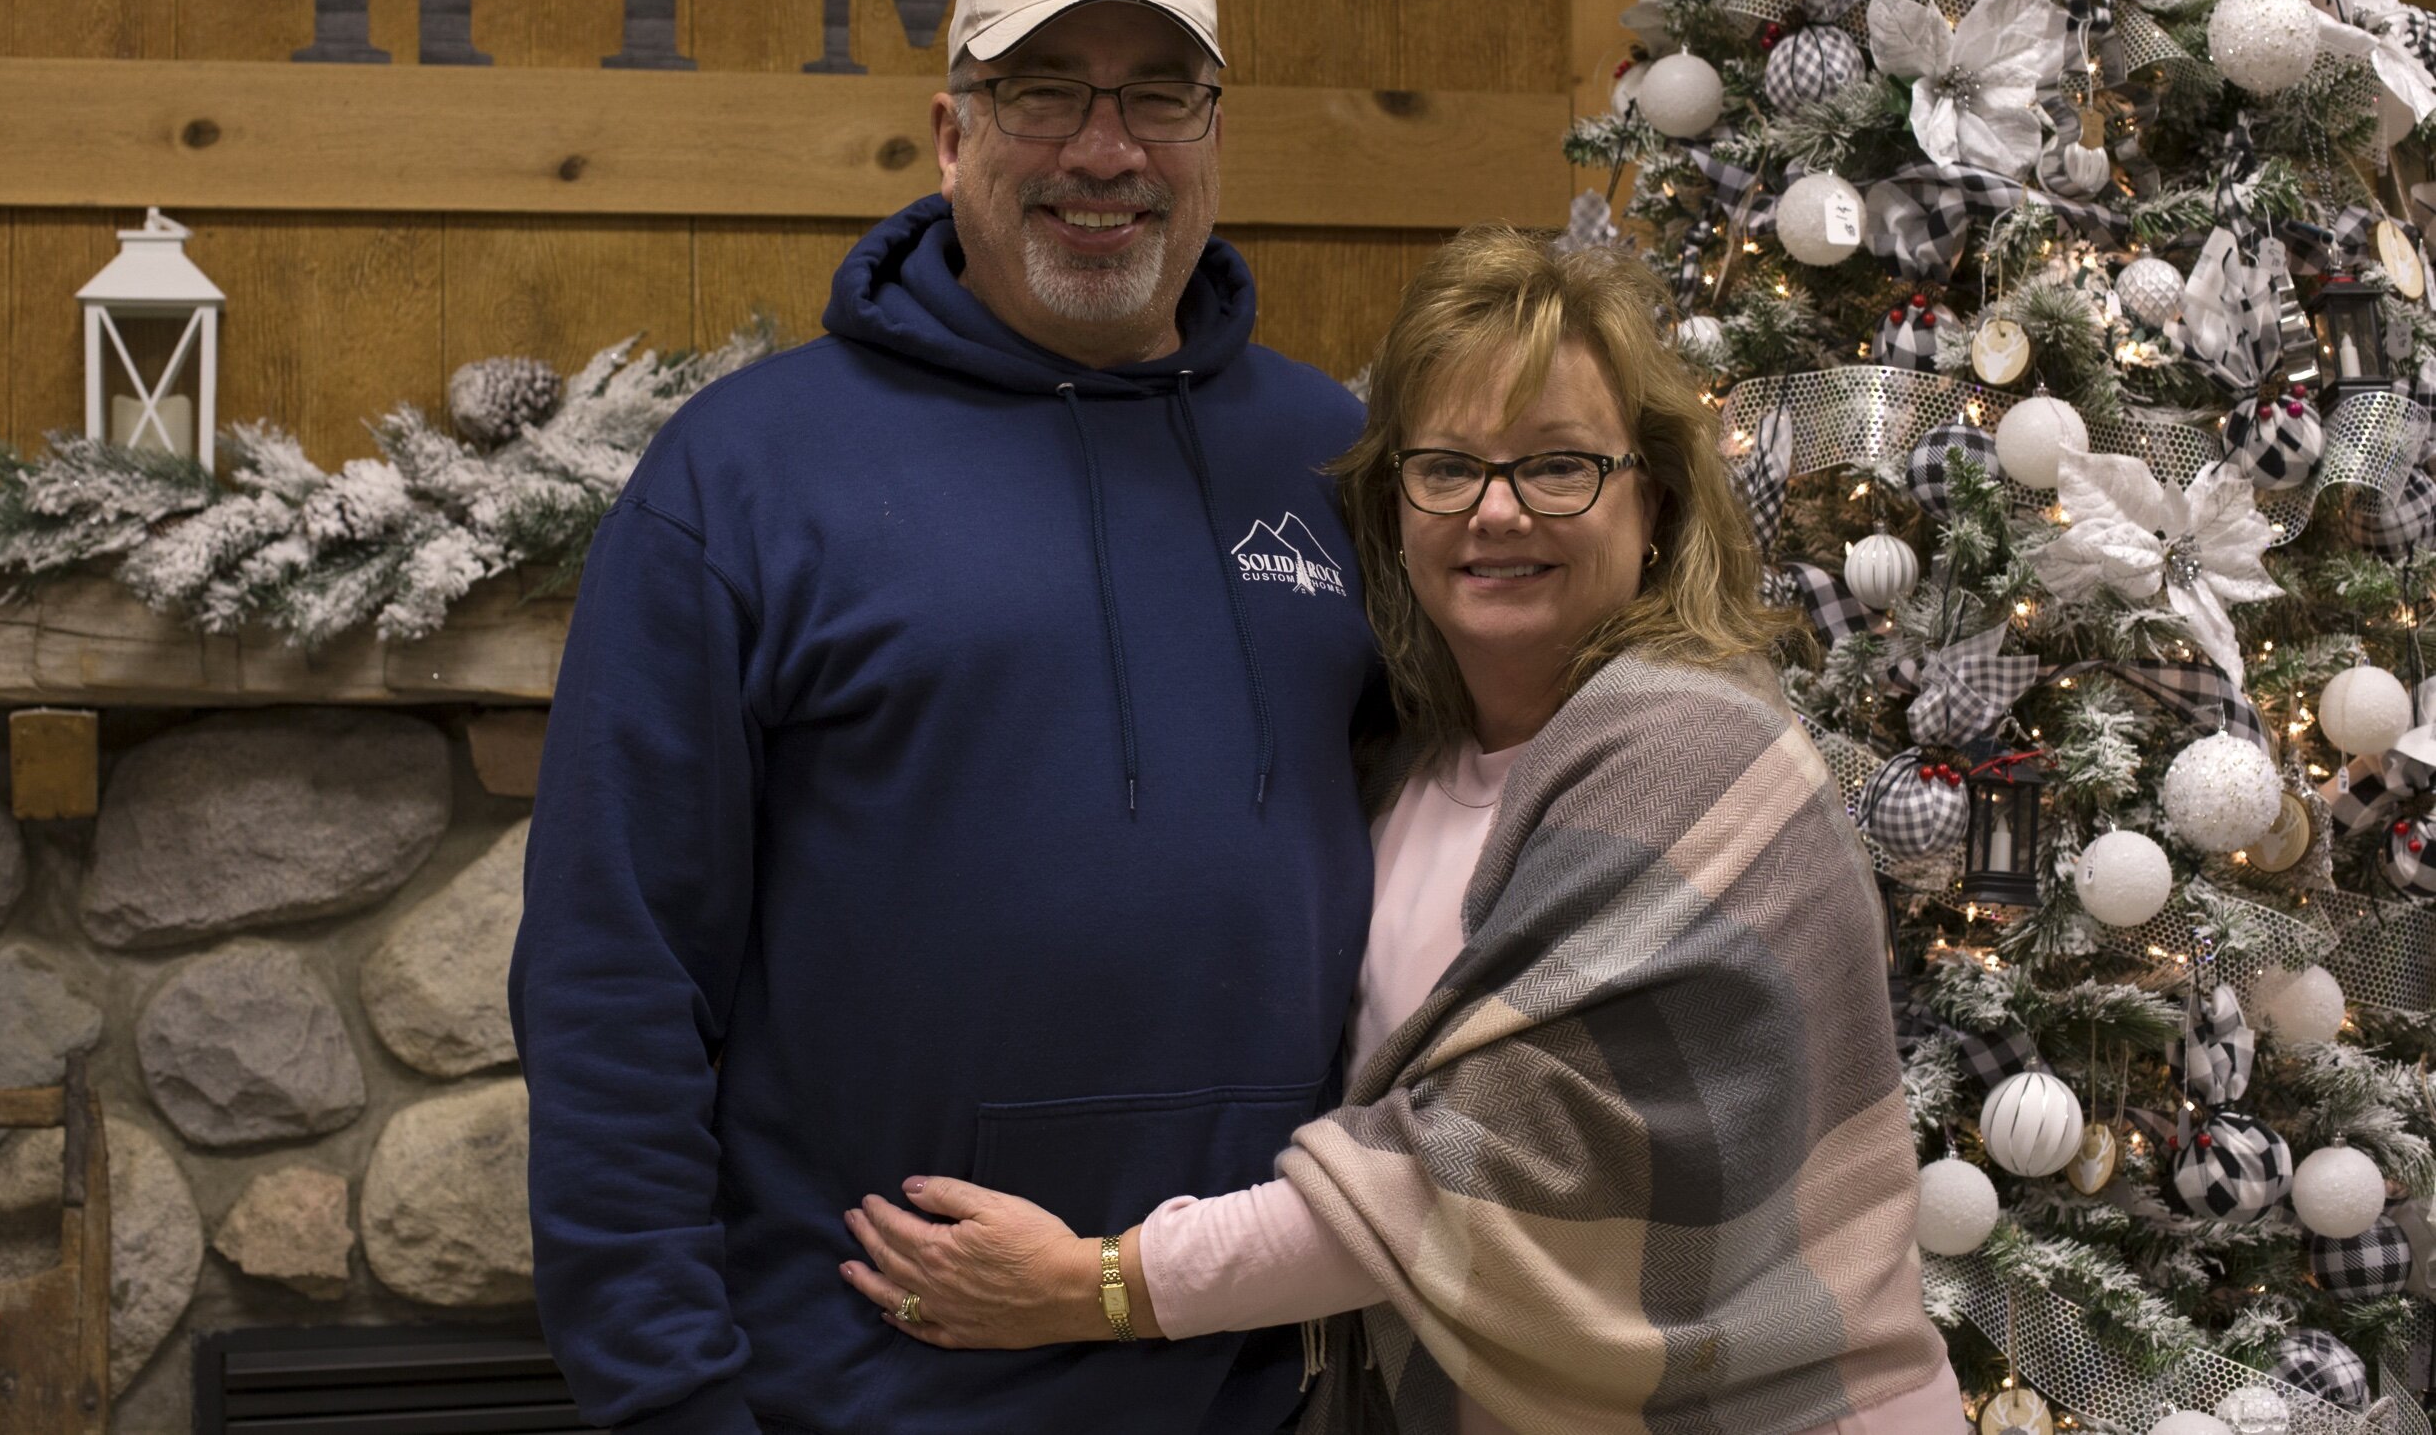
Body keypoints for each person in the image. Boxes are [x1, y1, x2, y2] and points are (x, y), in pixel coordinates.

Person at [836, 229, 1966, 1434]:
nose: (1497, 511)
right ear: (1395, 503)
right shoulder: (1406, 763)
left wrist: (1101, 1285)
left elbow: (1464, 1172)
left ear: (1656, 503)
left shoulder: (1689, 750)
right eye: (1449, 468)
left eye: (1558, 466)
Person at [509, 0, 1382, 1435]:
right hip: (857, 1393)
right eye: (1043, 91)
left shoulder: (1341, 468)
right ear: (951, 133)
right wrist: (668, 1403)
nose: (1102, 152)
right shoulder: (746, 479)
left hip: (1265, 1387)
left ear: (1213, 132)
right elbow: (613, 980)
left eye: (1156, 94)